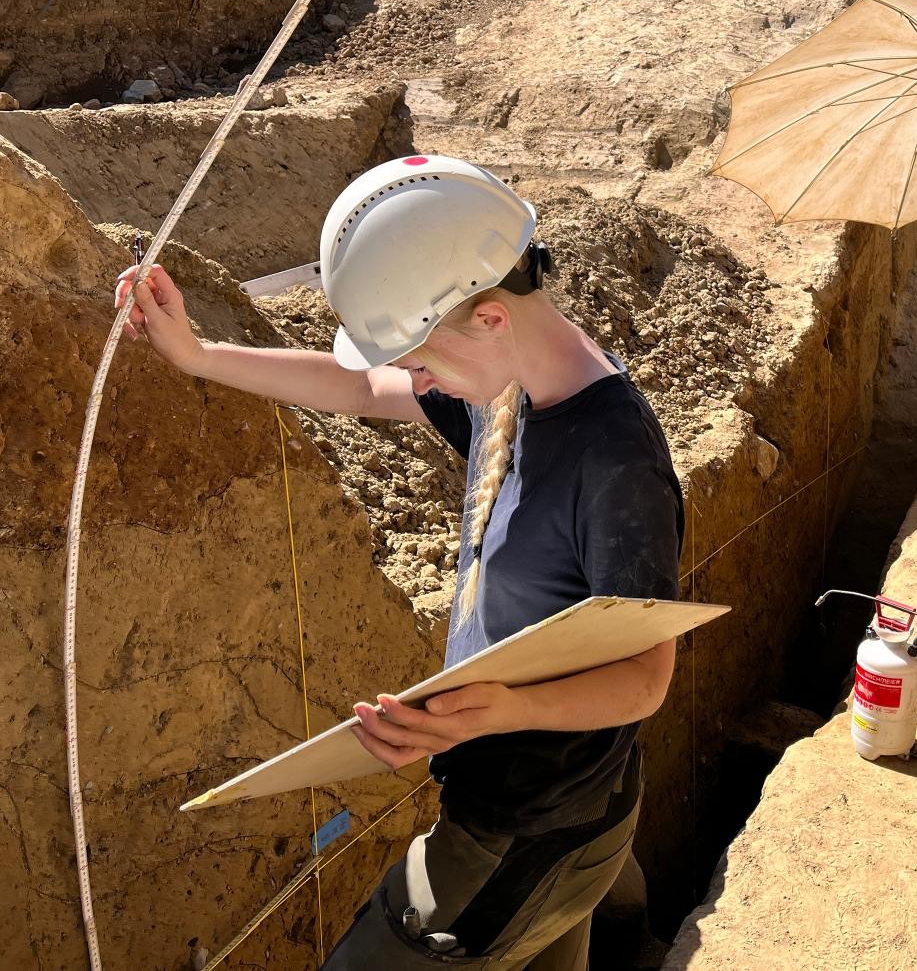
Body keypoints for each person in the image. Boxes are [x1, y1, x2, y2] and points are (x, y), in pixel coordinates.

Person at [116, 156, 683, 969]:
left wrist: (491, 709)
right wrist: (198, 353)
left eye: (419, 354)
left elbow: (646, 679)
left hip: (533, 828)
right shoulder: (509, 383)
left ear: (489, 317)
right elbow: (363, 389)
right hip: (551, 807)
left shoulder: (615, 465)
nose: (413, 377)